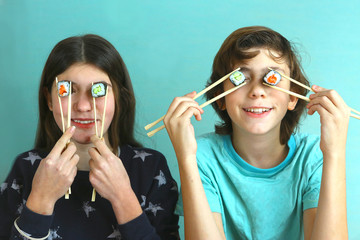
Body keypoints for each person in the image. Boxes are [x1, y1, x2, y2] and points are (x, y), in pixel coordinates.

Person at [164, 26, 349, 239]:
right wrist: (185, 158)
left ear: (293, 96)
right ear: (220, 95)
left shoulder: (312, 157)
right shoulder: (203, 156)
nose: (257, 91)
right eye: (240, 78)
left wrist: (334, 152)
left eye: (272, 78)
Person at [0, 34, 179, 240]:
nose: (83, 106)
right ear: (49, 99)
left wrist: (123, 198)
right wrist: (40, 201)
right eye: (66, 90)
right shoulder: (25, 169)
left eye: (98, 90)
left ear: (118, 98)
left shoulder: (150, 169)